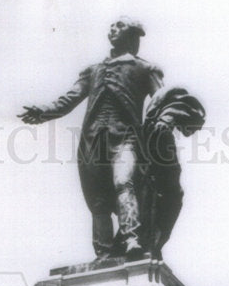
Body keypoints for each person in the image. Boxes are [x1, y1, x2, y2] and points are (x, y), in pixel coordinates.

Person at [19, 17, 163, 260]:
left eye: (119, 26)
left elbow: (161, 100)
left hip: (126, 138)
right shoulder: (93, 70)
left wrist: (166, 122)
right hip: (92, 141)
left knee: (123, 183)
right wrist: (42, 112)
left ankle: (132, 239)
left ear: (132, 35)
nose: (112, 29)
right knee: (97, 201)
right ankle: (104, 252)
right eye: (111, 26)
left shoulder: (144, 68)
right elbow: (68, 100)